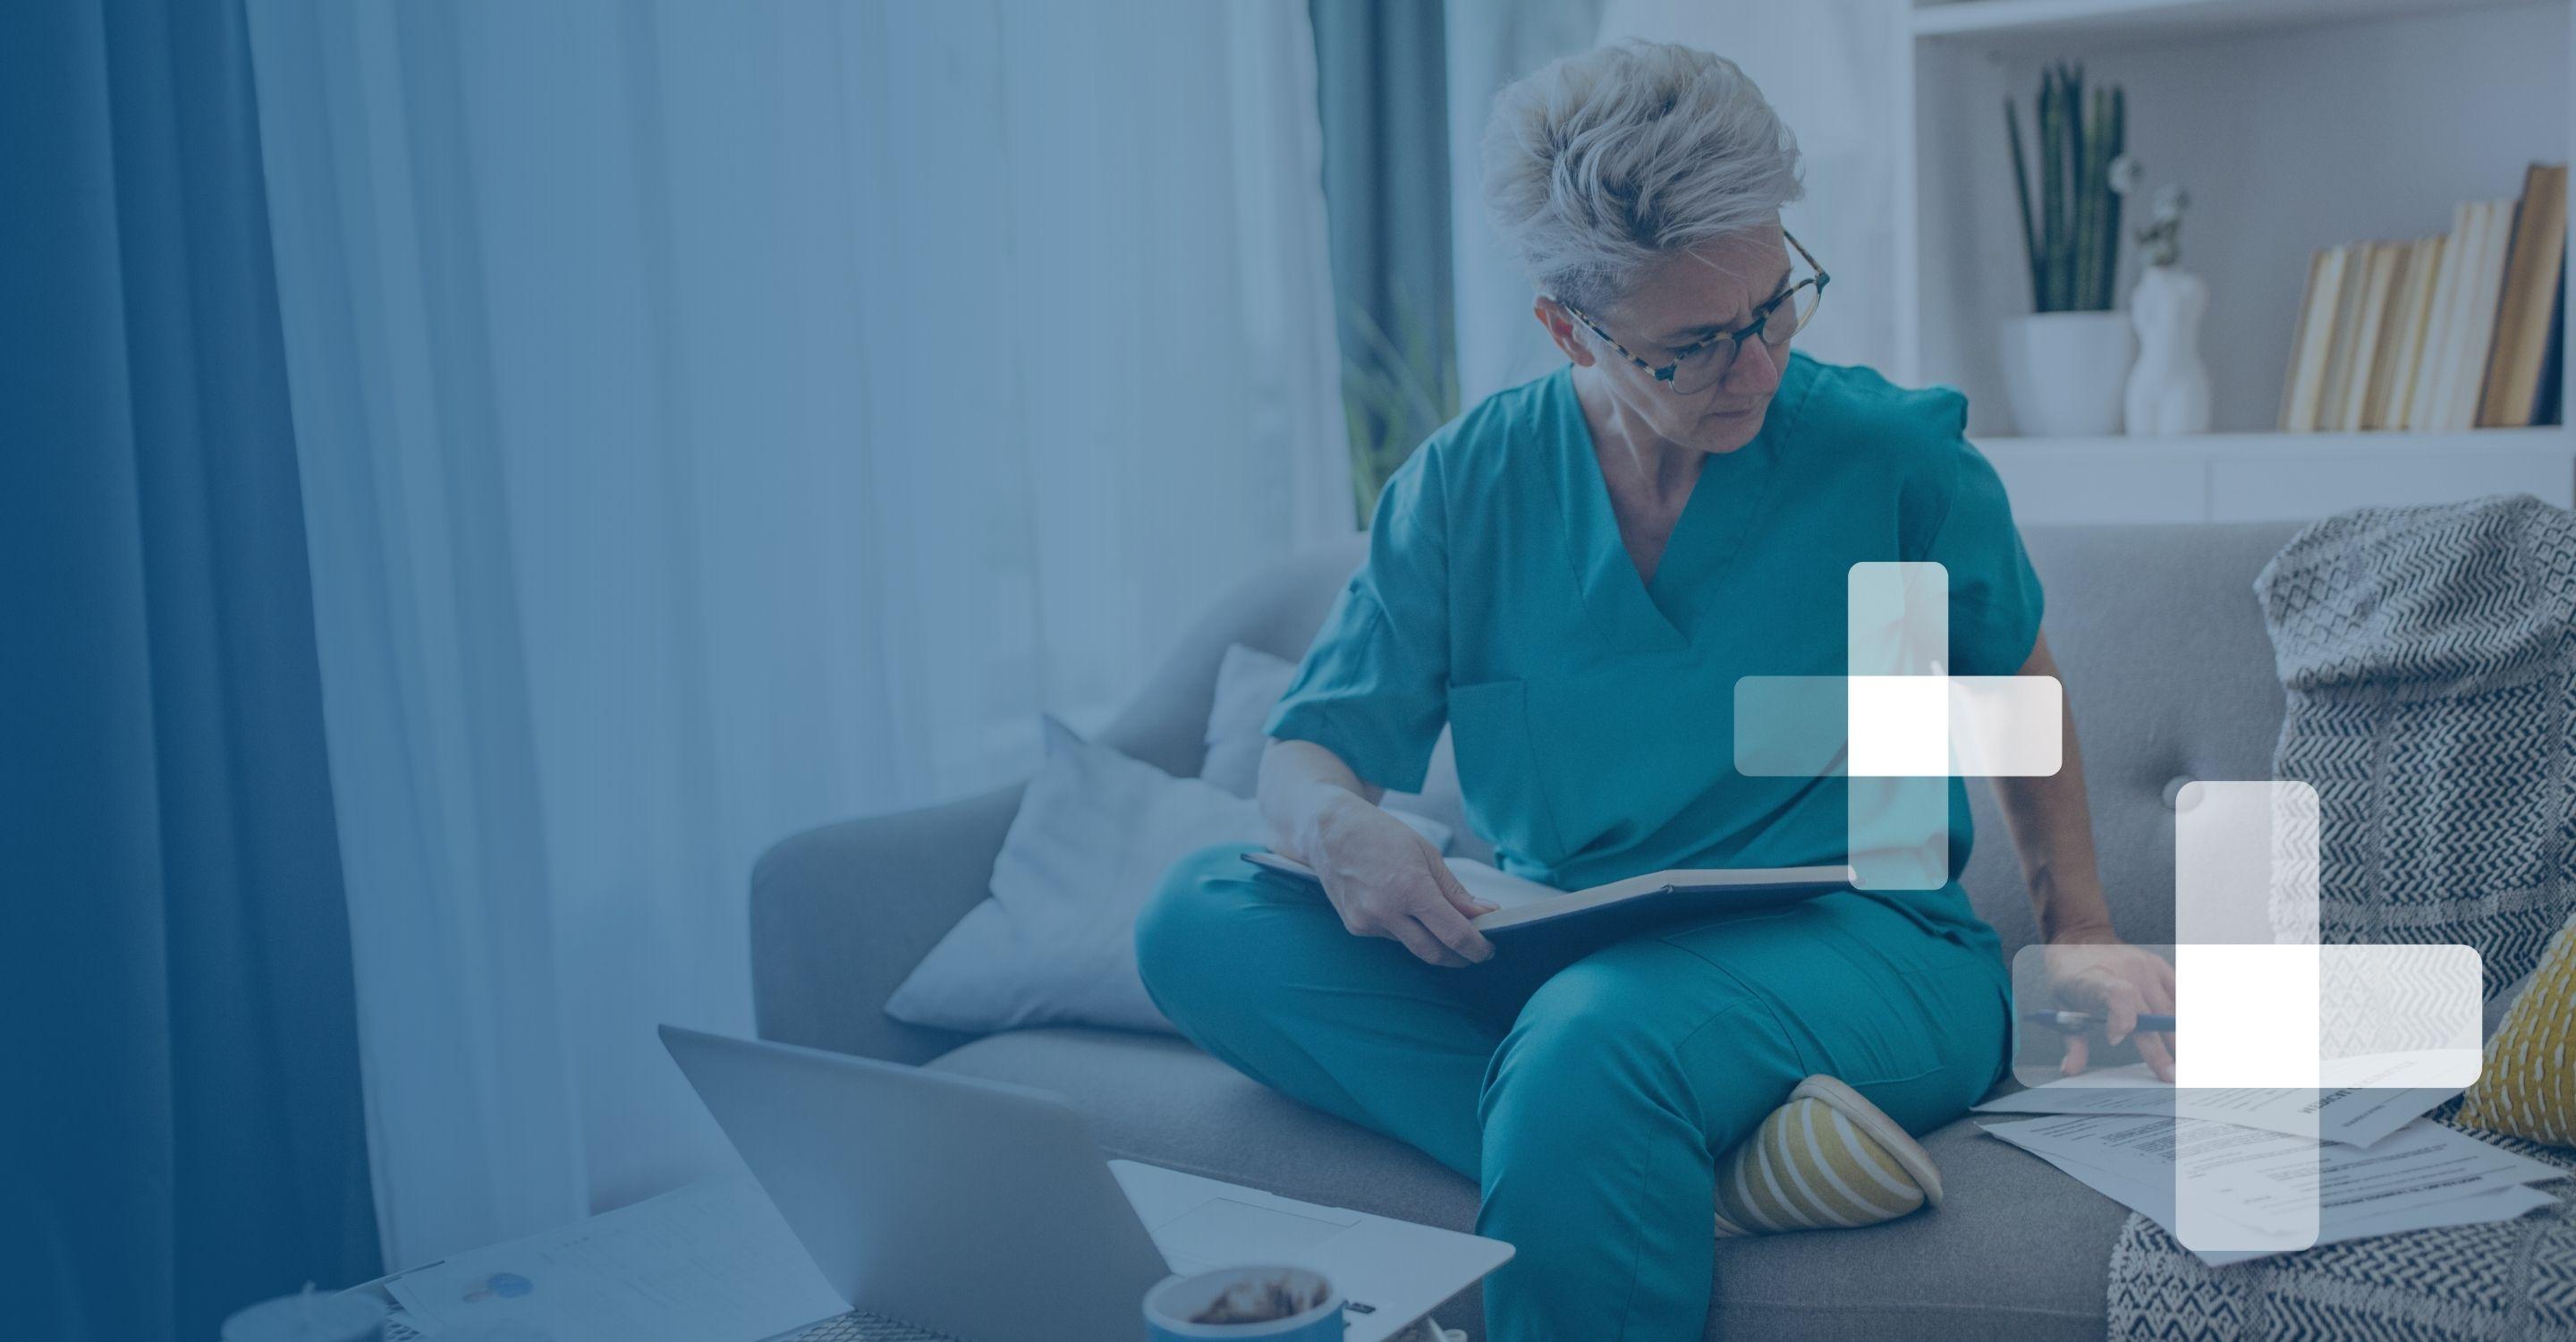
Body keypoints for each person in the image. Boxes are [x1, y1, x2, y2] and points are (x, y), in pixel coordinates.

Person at [1135, 40, 2174, 1342]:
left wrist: (2078, 927)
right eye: (1694, 344)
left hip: (1868, 942)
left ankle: (1612, 1132)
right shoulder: (1468, 490)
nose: (1757, 367)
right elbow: (1309, 753)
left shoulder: (1890, 457)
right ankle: (1682, 1167)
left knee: (1591, 1045)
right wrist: (1346, 829)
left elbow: (2010, 684)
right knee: (1195, 917)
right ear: (1567, 325)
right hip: (1574, 953)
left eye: (1774, 305)